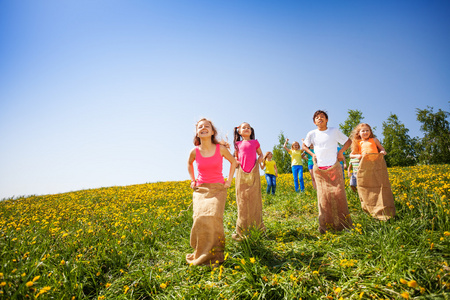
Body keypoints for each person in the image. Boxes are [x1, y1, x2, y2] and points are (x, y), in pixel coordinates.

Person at [186, 118, 238, 266]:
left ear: (212, 131)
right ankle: (200, 252)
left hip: (217, 188)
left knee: (213, 217)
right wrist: (192, 179)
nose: (203, 128)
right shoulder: (194, 151)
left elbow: (233, 162)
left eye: (206, 126)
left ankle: (216, 255)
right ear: (197, 133)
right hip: (201, 189)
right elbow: (189, 164)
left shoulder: (220, 149)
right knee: (199, 217)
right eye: (200, 127)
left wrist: (229, 180)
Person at [302, 110, 353, 233]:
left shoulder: (334, 131)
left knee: (339, 195)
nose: (320, 119)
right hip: (319, 169)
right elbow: (304, 146)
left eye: (322, 117)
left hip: (334, 166)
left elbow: (348, 141)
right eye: (317, 118)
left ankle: (344, 225)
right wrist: (311, 154)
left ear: (327, 120)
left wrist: (341, 152)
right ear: (314, 122)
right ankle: (326, 226)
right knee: (323, 197)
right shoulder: (312, 134)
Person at [350, 123, 395, 220]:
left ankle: (384, 207)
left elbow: (381, 148)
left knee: (379, 182)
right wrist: (357, 156)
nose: (365, 132)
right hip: (365, 165)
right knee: (368, 184)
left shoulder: (374, 140)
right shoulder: (358, 143)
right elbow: (351, 155)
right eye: (363, 131)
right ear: (359, 133)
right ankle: (369, 206)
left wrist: (382, 151)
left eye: (367, 130)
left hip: (376, 164)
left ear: (370, 132)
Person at [233, 122, 265, 240]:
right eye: (243, 127)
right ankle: (242, 229)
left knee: (254, 197)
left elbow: (260, 154)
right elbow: (236, 157)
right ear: (239, 132)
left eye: (248, 127)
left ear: (251, 131)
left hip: (253, 173)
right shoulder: (238, 144)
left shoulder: (255, 142)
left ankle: (257, 227)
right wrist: (236, 161)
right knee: (242, 199)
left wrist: (261, 158)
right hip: (242, 173)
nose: (246, 129)